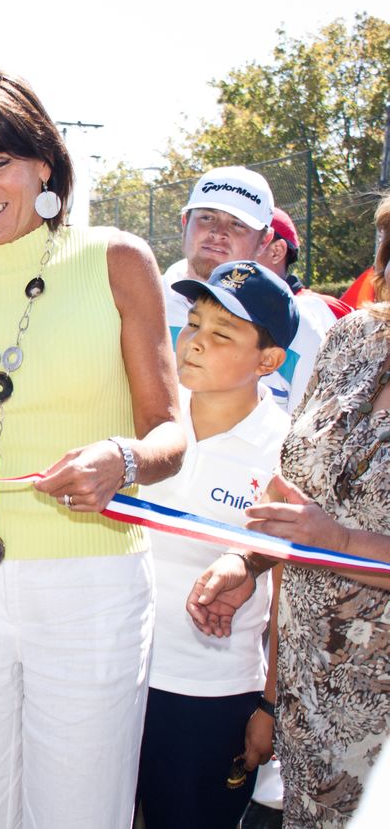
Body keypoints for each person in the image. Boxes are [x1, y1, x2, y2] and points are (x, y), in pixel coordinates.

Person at [0, 69, 185, 828]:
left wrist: (120, 460)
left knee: (80, 812)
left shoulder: (117, 260)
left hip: (93, 585)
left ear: (44, 162)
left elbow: (169, 431)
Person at [188, 195, 390, 828]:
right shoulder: (355, 337)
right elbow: (297, 491)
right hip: (308, 701)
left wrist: (339, 540)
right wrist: (245, 562)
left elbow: (324, 526)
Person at [134, 261, 298, 828]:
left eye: (222, 333)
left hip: (212, 695)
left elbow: (290, 597)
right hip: (113, 673)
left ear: (269, 361)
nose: (195, 343)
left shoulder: (287, 450)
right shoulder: (148, 416)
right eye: (194, 322)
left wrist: (271, 706)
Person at [163, 167, 326, 413]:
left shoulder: (301, 333)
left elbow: (309, 437)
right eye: (207, 217)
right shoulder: (140, 304)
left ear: (264, 241)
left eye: (238, 224)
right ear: (185, 223)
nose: (218, 233)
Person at [258, 206, 351, 319]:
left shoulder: (326, 310)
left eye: (239, 229)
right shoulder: (234, 309)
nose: (230, 242)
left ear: (277, 251)